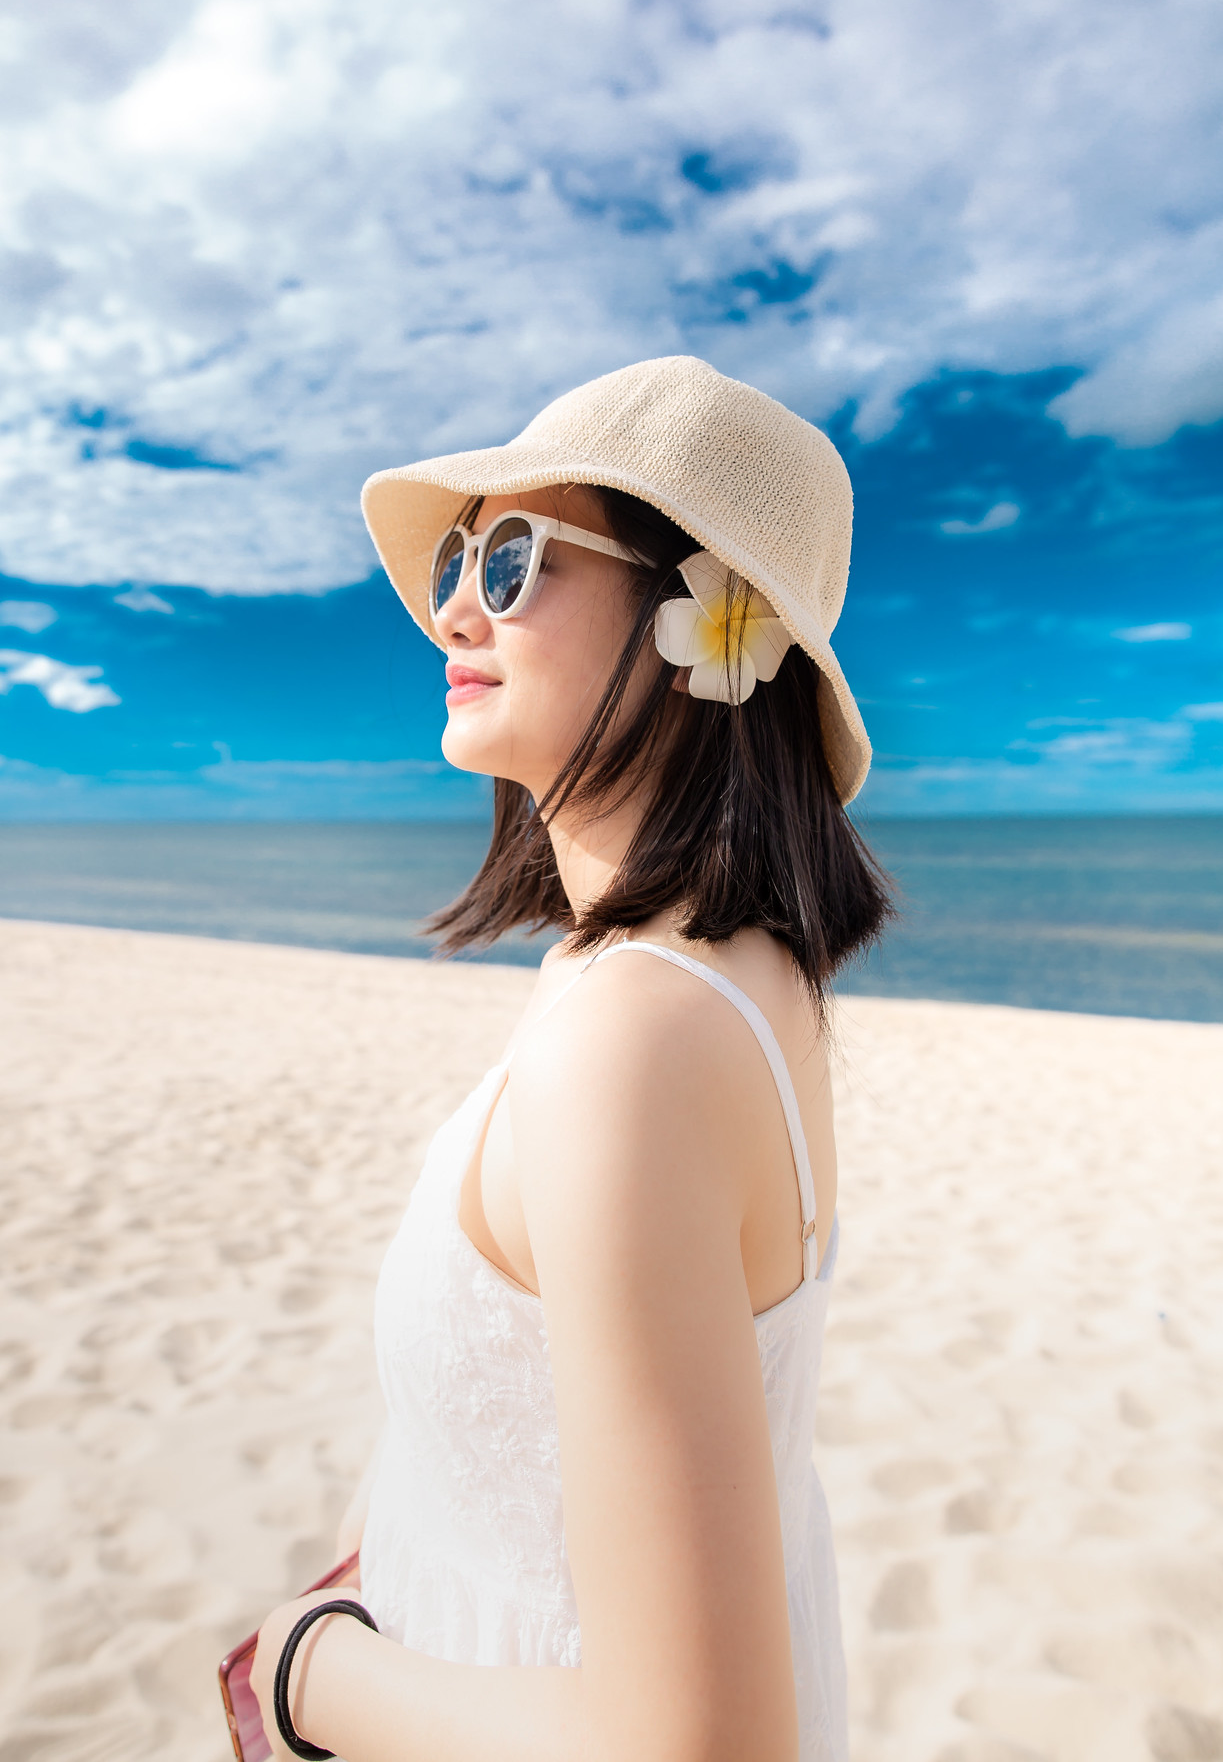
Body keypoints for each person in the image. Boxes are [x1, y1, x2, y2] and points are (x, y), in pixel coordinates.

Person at [251, 355, 891, 1762]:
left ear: (699, 620)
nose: (454, 602)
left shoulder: (636, 1039)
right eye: (458, 556)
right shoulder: (711, 979)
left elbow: (696, 1744)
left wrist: (301, 1678)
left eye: (517, 554)